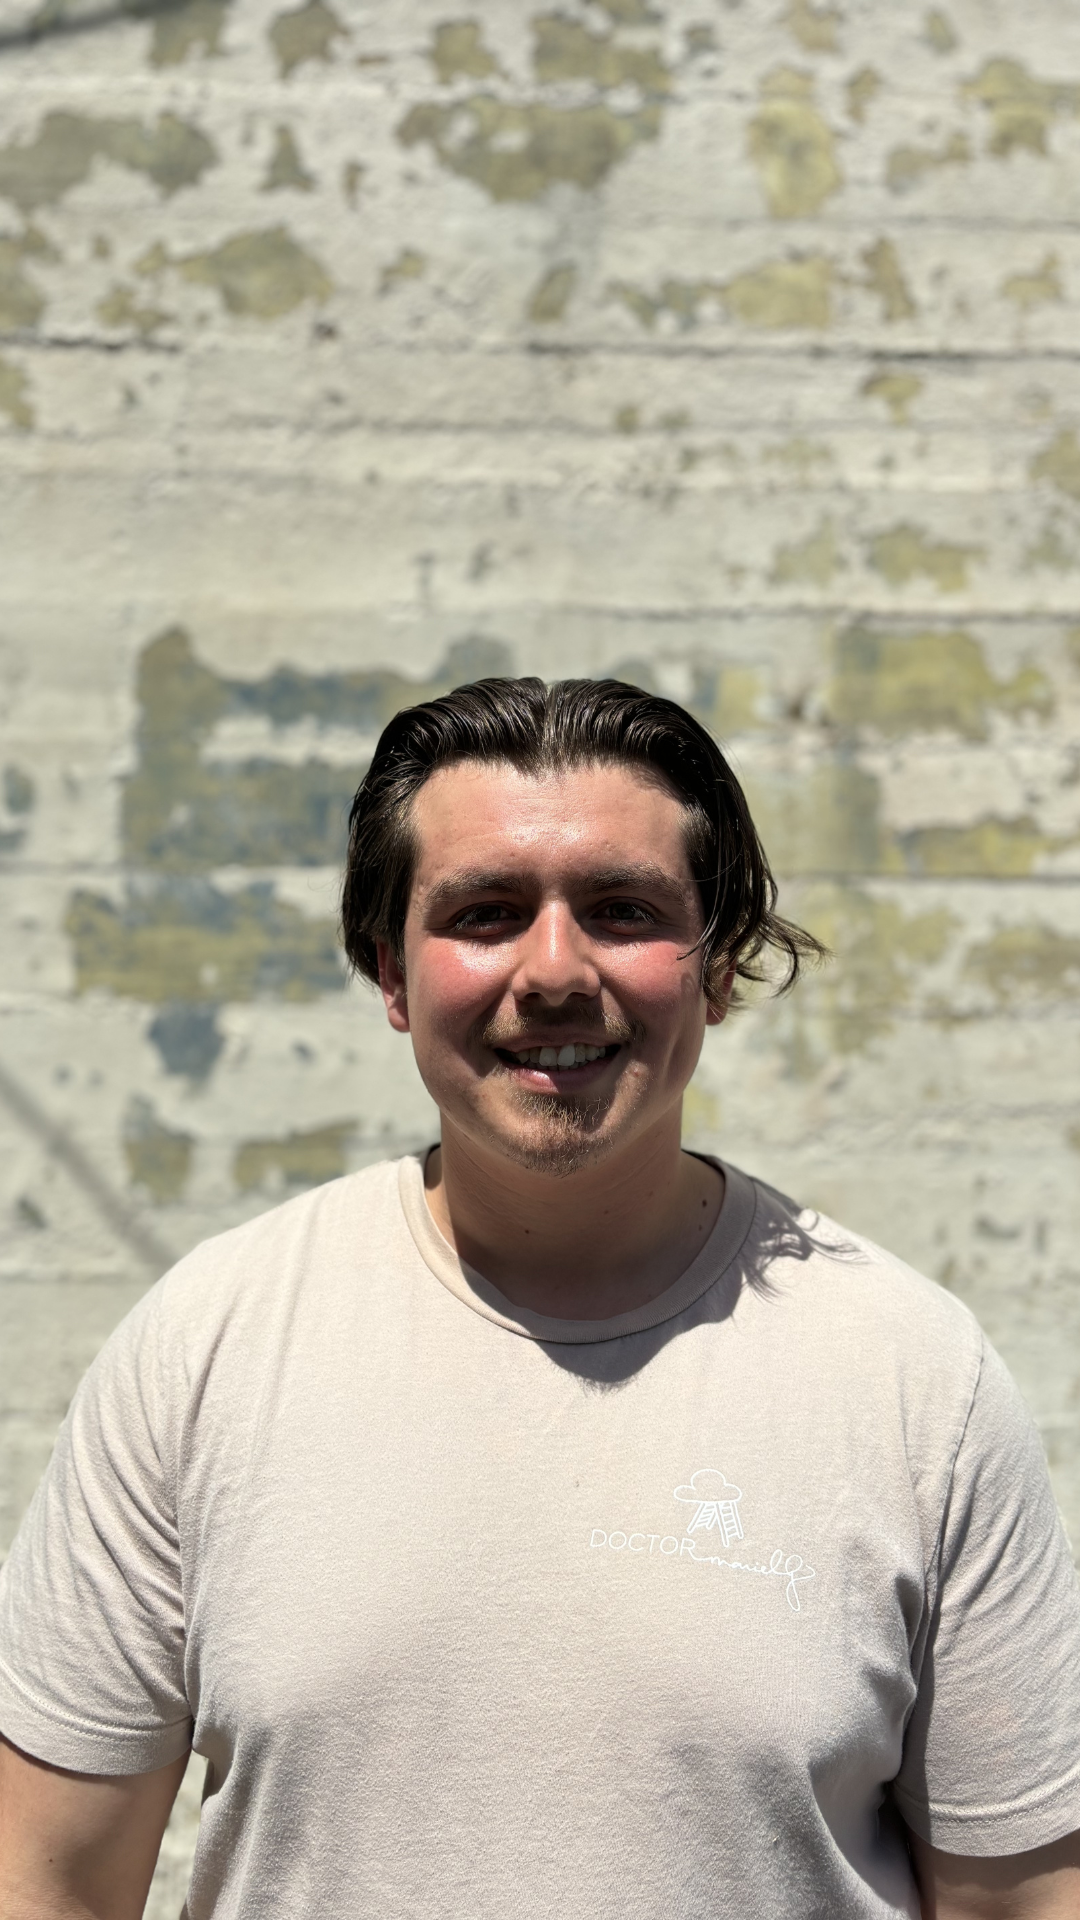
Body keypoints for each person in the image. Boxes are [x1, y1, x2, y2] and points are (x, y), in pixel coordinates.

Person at [1, 676, 1078, 1920]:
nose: (555, 971)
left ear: (719, 969)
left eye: (623, 910)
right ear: (389, 973)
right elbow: (49, 1882)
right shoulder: (206, 1350)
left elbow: (1025, 1904)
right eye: (486, 912)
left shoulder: (913, 1380)